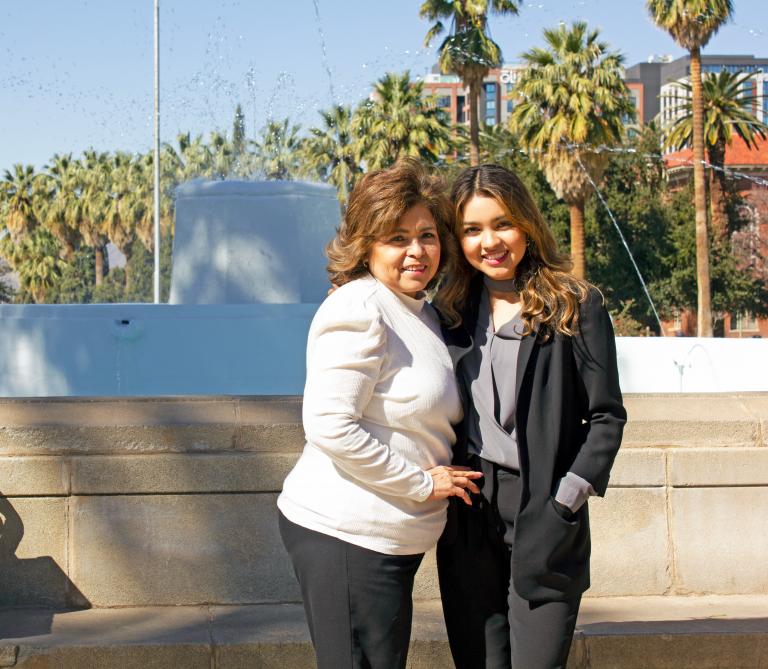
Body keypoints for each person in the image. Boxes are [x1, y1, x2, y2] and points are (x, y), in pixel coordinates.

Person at [277, 158, 483, 669]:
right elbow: (329, 425)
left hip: (385, 538)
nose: (417, 251)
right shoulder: (361, 306)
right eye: (397, 238)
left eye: (427, 235)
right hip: (347, 533)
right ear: (366, 245)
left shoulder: (419, 309)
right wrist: (420, 482)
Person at [434, 164, 626, 669]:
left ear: (526, 224)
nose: (489, 242)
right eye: (472, 230)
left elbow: (607, 417)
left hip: (544, 506)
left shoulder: (574, 305)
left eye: (502, 224)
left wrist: (566, 498)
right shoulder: (450, 311)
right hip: (470, 508)